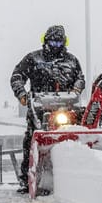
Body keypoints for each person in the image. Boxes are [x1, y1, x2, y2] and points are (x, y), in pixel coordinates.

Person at [9, 25, 85, 193]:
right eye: (52, 42)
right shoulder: (33, 59)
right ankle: (27, 177)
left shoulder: (72, 61)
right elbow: (17, 76)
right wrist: (21, 93)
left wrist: (76, 90)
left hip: (67, 108)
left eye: (59, 43)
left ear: (64, 43)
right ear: (45, 41)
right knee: (31, 139)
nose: (55, 46)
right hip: (39, 109)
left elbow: (80, 78)